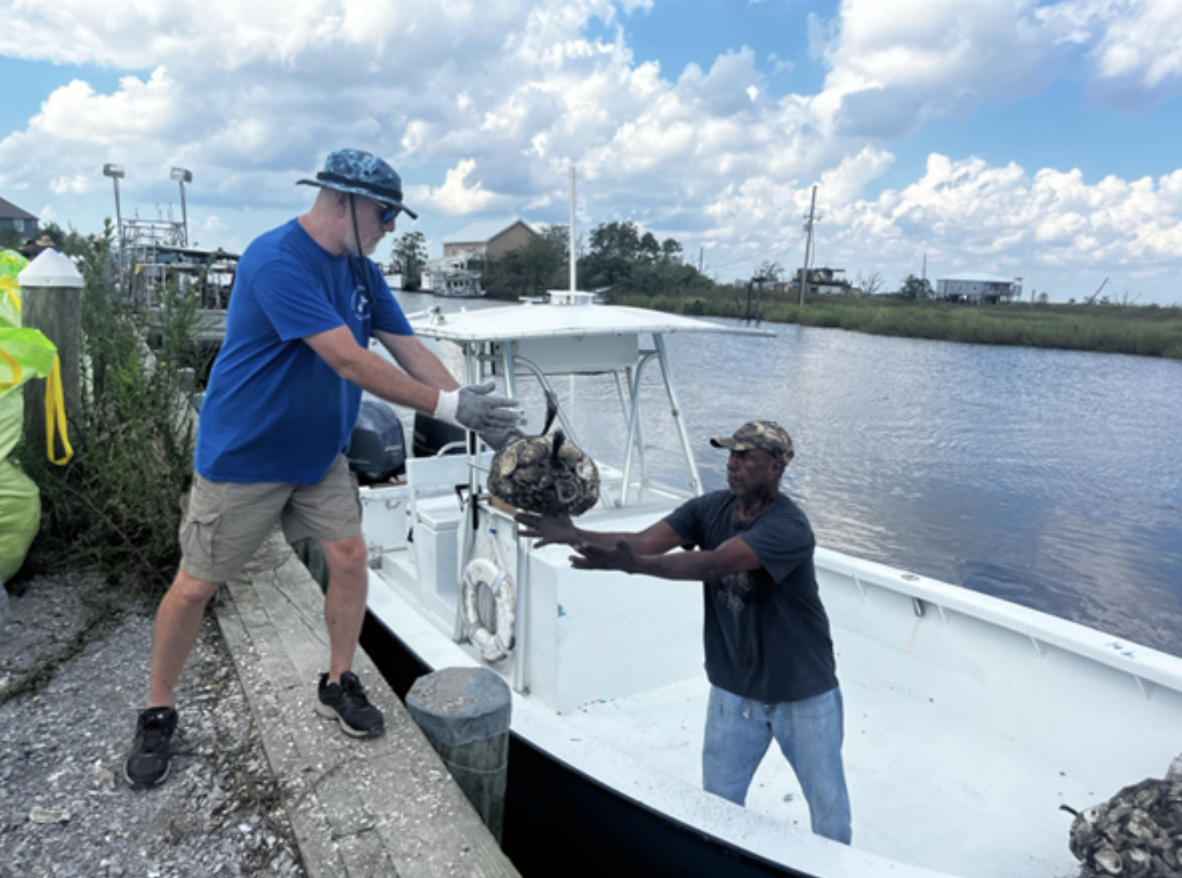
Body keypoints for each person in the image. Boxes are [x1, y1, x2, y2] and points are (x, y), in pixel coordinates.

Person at [123, 148, 524, 788]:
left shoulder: (363, 270)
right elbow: (349, 362)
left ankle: (338, 682)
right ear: (342, 200)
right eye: (385, 212)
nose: (392, 225)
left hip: (319, 458)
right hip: (245, 459)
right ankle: (156, 709)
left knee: (349, 556)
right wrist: (450, 405)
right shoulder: (277, 259)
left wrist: (472, 409)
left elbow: (406, 347)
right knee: (197, 585)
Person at [516, 420, 852, 843]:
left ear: (777, 466)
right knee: (717, 804)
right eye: (730, 454)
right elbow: (644, 542)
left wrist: (633, 566)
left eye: (746, 456)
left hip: (802, 688)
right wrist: (574, 534)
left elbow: (714, 564)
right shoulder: (708, 508)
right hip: (734, 686)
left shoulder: (790, 527)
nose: (732, 464)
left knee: (829, 809)